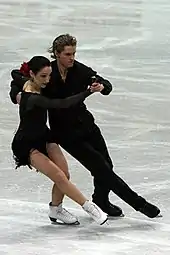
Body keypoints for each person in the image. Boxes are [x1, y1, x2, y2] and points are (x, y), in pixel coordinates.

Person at [9, 34, 161, 219]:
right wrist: (17, 95)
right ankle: (140, 205)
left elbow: (105, 84)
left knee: (107, 165)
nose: (72, 58)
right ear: (57, 54)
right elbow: (18, 77)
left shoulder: (78, 70)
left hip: (87, 125)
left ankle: (101, 200)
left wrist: (102, 86)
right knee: (100, 168)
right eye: (67, 54)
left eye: (73, 53)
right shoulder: (47, 73)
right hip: (65, 133)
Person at [10, 56, 108, 226]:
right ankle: (90, 208)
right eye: (43, 76)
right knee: (58, 176)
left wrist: (14, 90)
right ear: (32, 74)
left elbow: (15, 73)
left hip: (45, 136)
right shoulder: (31, 97)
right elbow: (62, 104)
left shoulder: (33, 82)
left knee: (65, 173)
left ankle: (56, 209)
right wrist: (88, 92)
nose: (47, 80)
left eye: (49, 75)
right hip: (27, 143)